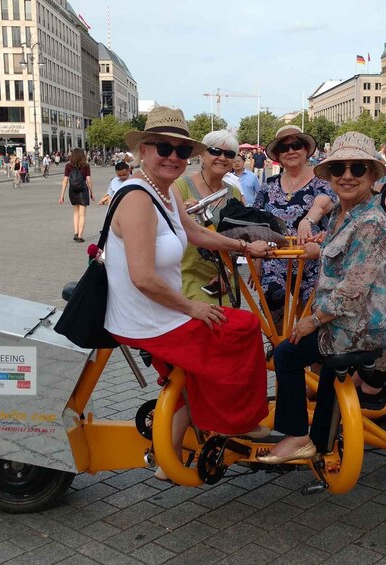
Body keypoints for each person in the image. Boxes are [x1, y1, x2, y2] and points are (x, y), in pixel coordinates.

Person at [104, 106, 272, 479]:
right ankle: (235, 420)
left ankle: (172, 451)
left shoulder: (162, 193)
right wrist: (192, 308)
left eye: (181, 151)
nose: (173, 157)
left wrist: (244, 247)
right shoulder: (137, 197)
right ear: (143, 151)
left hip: (158, 311)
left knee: (215, 345)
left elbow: (196, 234)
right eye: (164, 148)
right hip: (147, 318)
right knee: (242, 327)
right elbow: (143, 278)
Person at [260, 132, 386, 462]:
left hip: (361, 329)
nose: (347, 176)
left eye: (357, 168)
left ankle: (297, 437)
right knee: (300, 352)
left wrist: (313, 321)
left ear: (373, 175)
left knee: (286, 354)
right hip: (346, 324)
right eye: (339, 169)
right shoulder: (343, 212)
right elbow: (345, 261)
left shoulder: (370, 222)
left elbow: (352, 290)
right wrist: (322, 248)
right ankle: (320, 439)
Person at [252, 126, 336, 317]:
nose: (291, 151)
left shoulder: (322, 180)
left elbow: (322, 204)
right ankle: (277, 343)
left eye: (296, 145)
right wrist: (257, 257)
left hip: (312, 257)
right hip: (276, 257)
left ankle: (301, 345)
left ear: (306, 150)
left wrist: (306, 221)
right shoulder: (269, 185)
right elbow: (257, 221)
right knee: (271, 296)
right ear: (278, 156)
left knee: (312, 308)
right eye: (284, 148)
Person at [174, 130, 244, 304]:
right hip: (185, 275)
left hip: (223, 277)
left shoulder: (233, 192)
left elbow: (240, 235)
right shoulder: (180, 186)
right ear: (202, 154)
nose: (222, 157)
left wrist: (227, 272)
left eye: (229, 154)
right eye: (214, 151)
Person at [59, 148, 94, 242]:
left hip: (72, 191)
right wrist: (91, 192)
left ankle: (75, 232)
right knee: (82, 214)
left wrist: (62, 195)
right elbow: (88, 180)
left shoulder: (68, 166)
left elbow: (65, 181)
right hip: (83, 190)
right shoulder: (86, 166)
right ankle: (80, 236)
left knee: (75, 212)